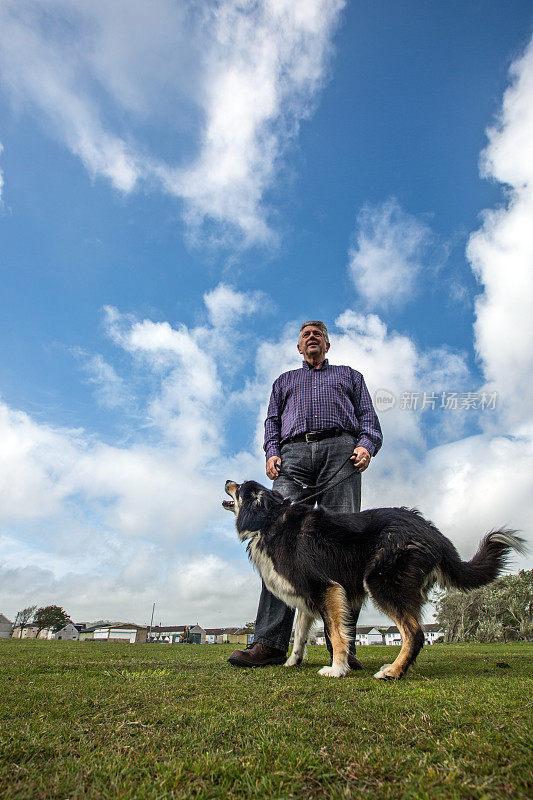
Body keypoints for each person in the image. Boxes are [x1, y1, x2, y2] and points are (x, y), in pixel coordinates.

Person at [228, 320, 383, 667]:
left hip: (341, 452)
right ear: (299, 347)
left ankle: (341, 647)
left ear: (327, 345)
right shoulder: (284, 382)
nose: (311, 338)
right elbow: (272, 422)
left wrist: (366, 446)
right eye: (305, 335)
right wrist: (272, 451)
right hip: (293, 456)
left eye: (318, 334)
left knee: (343, 543)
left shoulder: (350, 376)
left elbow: (369, 420)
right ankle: (269, 642)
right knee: (274, 541)